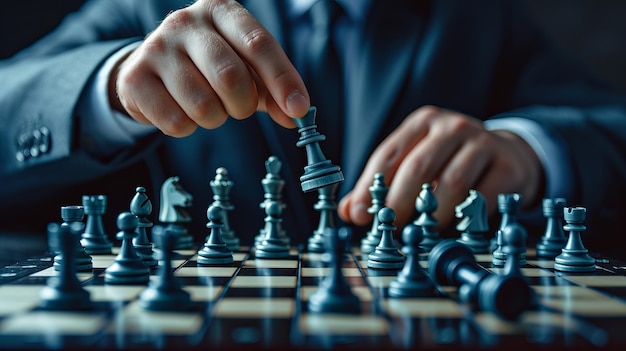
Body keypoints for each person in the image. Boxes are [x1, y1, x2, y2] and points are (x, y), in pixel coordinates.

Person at [1, 0, 625, 258]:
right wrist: (110, 89)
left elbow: (608, 125)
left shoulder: (474, 19)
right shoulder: (147, 7)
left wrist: (528, 150)